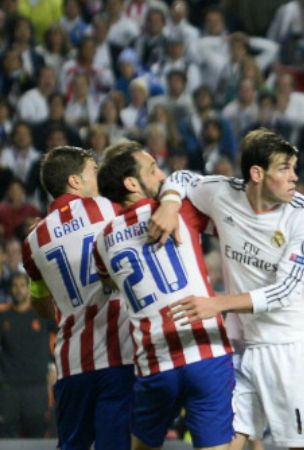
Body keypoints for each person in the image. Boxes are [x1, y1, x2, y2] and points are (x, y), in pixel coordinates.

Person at [149, 129, 304, 450]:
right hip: (239, 345)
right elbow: (180, 178)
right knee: (228, 441)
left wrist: (218, 304)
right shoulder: (223, 193)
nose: (294, 177)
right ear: (257, 173)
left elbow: (286, 290)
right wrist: (169, 203)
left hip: (289, 345)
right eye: (284, 168)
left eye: (294, 167)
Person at [93, 142, 234, 450]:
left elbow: (108, 282)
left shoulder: (102, 241)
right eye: (153, 169)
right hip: (205, 350)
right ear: (132, 183)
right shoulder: (183, 210)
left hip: (154, 361)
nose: (162, 175)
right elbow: (227, 220)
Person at [21, 146, 134, 449]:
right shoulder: (108, 207)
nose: (98, 177)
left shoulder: (33, 240)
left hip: (71, 365)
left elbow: (42, 306)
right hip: (119, 357)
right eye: (92, 172)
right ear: (74, 181)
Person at [0, 272, 56, 438]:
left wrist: (53, 365)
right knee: (6, 436)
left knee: (38, 435)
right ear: (10, 290)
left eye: (22, 285)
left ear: (29, 288)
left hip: (37, 387)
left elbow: (63, 334)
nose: (18, 290)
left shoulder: (42, 315)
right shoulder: (3, 318)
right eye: (15, 286)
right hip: (9, 388)